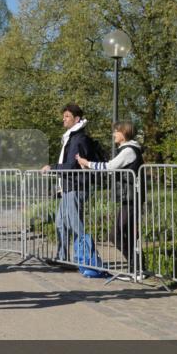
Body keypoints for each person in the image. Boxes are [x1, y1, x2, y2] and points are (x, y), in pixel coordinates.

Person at [77, 121, 143, 262]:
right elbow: (112, 171)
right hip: (130, 198)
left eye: (116, 131)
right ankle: (136, 268)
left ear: (124, 133)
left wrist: (87, 163)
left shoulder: (129, 151)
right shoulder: (127, 150)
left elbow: (110, 166)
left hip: (132, 198)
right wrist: (89, 167)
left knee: (116, 234)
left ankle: (137, 266)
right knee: (125, 234)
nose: (113, 134)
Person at [41, 104, 96, 262]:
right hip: (67, 186)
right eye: (63, 116)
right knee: (61, 223)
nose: (63, 119)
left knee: (75, 224)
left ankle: (87, 259)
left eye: (67, 116)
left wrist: (52, 167)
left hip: (76, 186)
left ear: (76, 119)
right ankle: (62, 257)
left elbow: (72, 165)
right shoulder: (70, 137)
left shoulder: (79, 138)